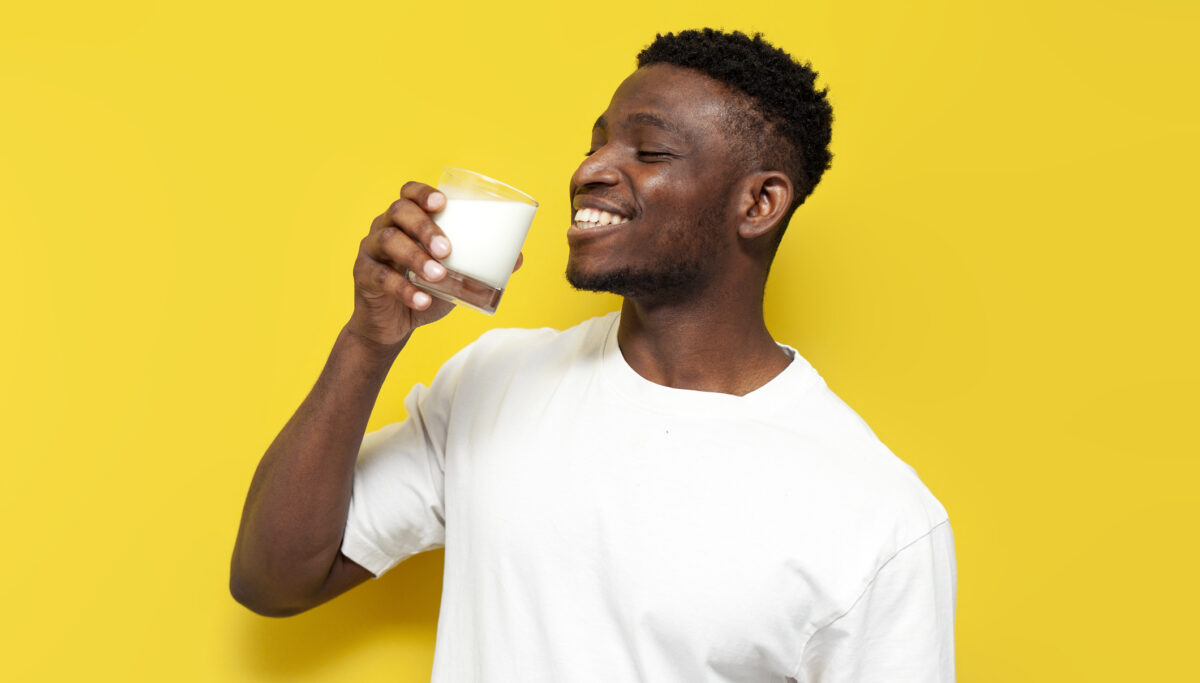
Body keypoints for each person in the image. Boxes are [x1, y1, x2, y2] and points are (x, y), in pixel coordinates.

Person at [230, 28, 956, 683]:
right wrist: (369, 339)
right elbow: (275, 578)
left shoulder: (879, 519)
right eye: (596, 142)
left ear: (759, 203)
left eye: (649, 152)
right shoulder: (496, 382)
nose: (590, 170)